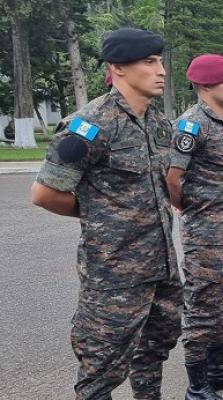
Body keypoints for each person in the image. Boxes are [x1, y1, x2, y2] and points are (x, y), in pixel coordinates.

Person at [30, 28, 182, 400]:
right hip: (114, 274)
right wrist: (99, 213)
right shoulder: (90, 125)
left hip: (161, 265)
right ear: (118, 68)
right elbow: (45, 193)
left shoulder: (159, 125)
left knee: (156, 348)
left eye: (160, 61)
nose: (161, 70)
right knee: (102, 365)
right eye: (149, 62)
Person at [166, 54, 223, 399]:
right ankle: (196, 384)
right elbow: (173, 178)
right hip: (205, 235)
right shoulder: (191, 124)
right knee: (203, 307)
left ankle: (216, 369)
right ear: (205, 85)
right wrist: (189, 210)